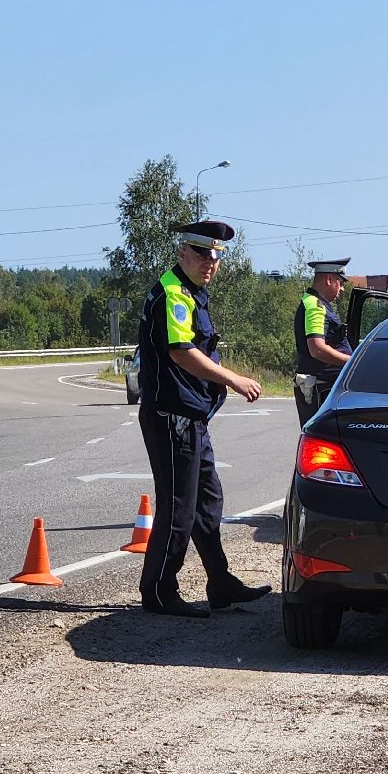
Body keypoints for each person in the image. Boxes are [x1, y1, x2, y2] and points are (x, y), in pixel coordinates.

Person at [134, 220, 270, 618]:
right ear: (182, 254)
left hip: (192, 416)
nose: (210, 262)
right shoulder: (174, 293)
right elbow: (181, 351)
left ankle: (221, 583)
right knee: (178, 508)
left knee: (208, 504)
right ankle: (159, 591)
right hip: (172, 416)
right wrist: (234, 379)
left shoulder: (193, 292)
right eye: (201, 254)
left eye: (215, 256)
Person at [293, 258, 352, 424]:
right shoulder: (316, 306)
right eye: (340, 283)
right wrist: (353, 362)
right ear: (329, 279)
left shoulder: (315, 303)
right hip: (321, 388)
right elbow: (317, 349)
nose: (342, 289)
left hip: (321, 387)